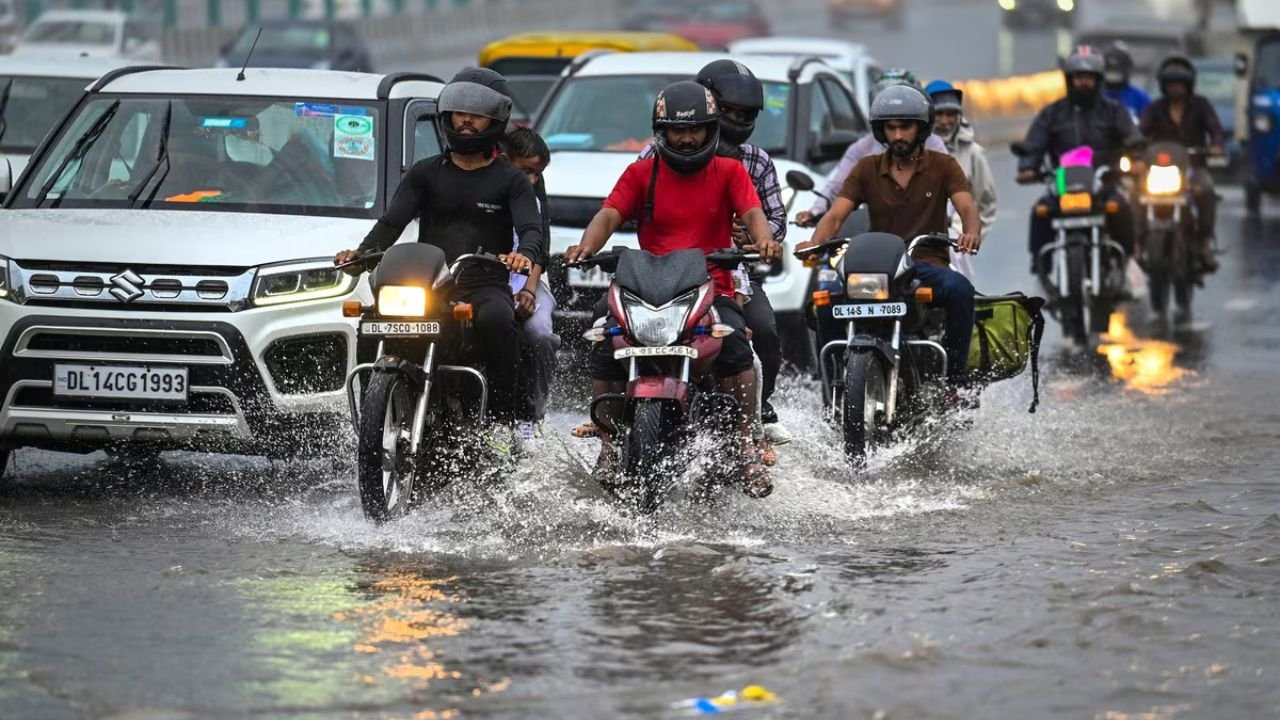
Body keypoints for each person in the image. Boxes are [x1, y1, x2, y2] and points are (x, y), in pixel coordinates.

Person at [564, 81, 783, 497]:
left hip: (709, 286)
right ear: (660, 131)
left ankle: (744, 442)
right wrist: (586, 246)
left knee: (736, 342)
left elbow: (754, 212)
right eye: (676, 130)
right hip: (645, 284)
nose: (686, 138)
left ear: (710, 129)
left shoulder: (731, 170)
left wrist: (765, 238)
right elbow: (609, 214)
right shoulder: (640, 172)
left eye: (695, 130)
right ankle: (608, 443)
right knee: (604, 334)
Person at [333, 68, 543, 451]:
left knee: (499, 320)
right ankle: (371, 422)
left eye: (475, 114)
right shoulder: (425, 173)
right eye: (459, 112)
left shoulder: (510, 180)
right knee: (372, 321)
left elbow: (532, 229)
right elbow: (391, 223)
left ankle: (499, 423)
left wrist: (523, 255)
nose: (465, 120)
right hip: (430, 282)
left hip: (483, 283)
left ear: (493, 121)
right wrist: (362, 255)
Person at [641, 59, 792, 454]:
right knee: (610, 332)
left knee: (764, 332)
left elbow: (773, 220)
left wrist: (753, 241)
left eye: (744, 115)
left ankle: (755, 416)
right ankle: (616, 420)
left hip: (728, 274)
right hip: (661, 275)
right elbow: (624, 208)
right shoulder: (652, 158)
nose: (736, 121)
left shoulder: (753, 163)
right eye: (728, 112)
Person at [794, 84, 981, 398]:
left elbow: (966, 206)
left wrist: (970, 231)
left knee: (961, 290)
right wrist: (814, 243)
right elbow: (836, 215)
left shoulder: (943, 165)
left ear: (921, 128)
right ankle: (833, 388)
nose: (897, 135)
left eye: (904, 127)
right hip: (878, 268)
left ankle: (956, 383)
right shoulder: (866, 168)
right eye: (890, 128)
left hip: (923, 265)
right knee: (824, 304)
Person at [1017, 45, 1141, 275]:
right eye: (1078, 77)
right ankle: (1041, 263)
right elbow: (1035, 143)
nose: (1083, 83)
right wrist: (1028, 167)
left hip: (1103, 184)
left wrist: (1137, 155)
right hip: (1063, 187)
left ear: (1098, 80)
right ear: (1069, 80)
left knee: (1121, 209)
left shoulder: (1114, 111)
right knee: (1041, 211)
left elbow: (1131, 135)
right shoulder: (1052, 113)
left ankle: (1125, 260)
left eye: (1088, 78)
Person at [796, 69, 949, 225]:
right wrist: (815, 211)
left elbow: (949, 188)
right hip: (875, 232)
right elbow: (837, 187)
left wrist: (945, 216)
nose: (897, 134)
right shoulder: (862, 148)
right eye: (890, 123)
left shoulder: (933, 145)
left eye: (905, 123)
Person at [500, 127, 562, 451]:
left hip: (528, 278)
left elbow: (539, 247)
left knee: (537, 332)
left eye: (538, 173)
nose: (533, 180)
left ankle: (529, 416)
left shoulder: (534, 192)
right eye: (526, 171)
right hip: (484, 279)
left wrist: (527, 288)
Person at [1139, 54, 1224, 274]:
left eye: (1180, 84)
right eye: (1171, 84)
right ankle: (1137, 246)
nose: (1176, 89)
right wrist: (1135, 152)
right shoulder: (1155, 108)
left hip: (1193, 168)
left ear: (1189, 85)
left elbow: (1215, 130)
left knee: (1206, 190)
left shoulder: (1202, 105)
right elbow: (1140, 134)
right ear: (1163, 86)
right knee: (1135, 194)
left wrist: (1215, 145)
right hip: (1159, 170)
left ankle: (1204, 244)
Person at [926, 80, 998, 282]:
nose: (945, 121)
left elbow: (986, 201)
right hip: (914, 234)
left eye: (950, 115)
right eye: (938, 115)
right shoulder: (912, 151)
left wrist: (970, 236)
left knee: (957, 288)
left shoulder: (973, 153)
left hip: (953, 239)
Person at [1102, 42, 1151, 122]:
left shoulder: (1140, 97)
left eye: (1117, 72)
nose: (1113, 77)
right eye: (1110, 71)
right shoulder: (1097, 95)